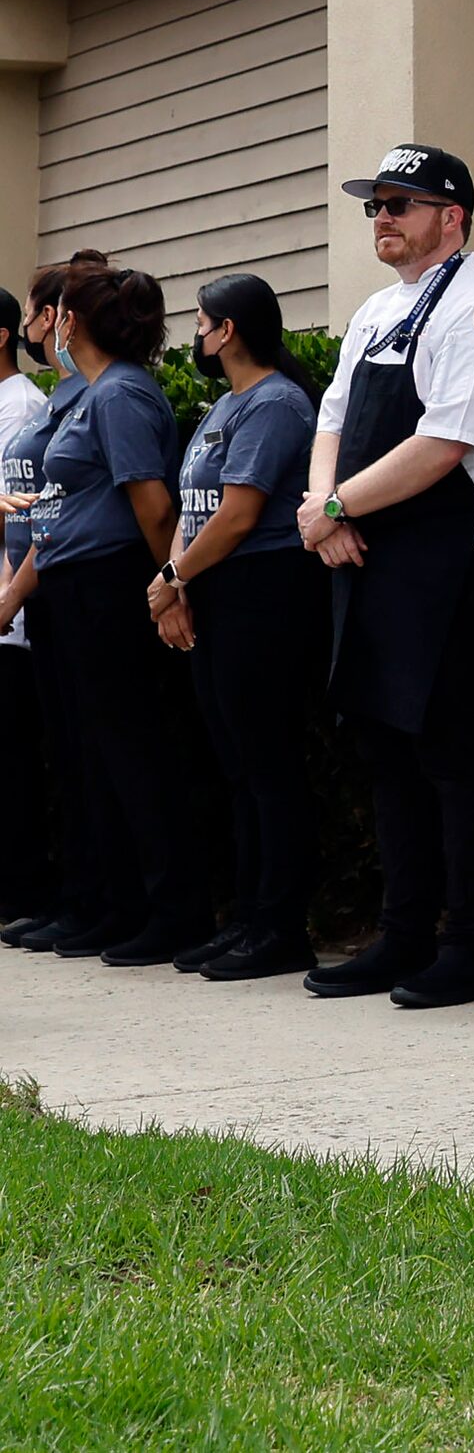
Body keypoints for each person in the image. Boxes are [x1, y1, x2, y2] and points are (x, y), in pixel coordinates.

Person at [302, 143, 474, 1011]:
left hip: (444, 563)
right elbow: (332, 418)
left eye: (401, 202)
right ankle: (402, 937)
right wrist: (325, 509)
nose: (383, 217)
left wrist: (334, 512)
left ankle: (471, 947)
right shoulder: (371, 312)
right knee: (384, 755)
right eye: (375, 204)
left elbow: (444, 444)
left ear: (453, 216)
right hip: (362, 554)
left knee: (450, 759)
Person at [0, 264, 198, 964]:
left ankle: (166, 908)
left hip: (116, 587)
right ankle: (109, 904)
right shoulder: (90, 392)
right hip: (75, 587)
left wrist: (169, 585)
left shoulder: (119, 395)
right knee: (92, 755)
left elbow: (152, 506)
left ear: (70, 321)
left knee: (132, 753)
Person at [151, 275, 328, 982]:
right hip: (215, 590)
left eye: (200, 322)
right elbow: (193, 511)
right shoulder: (226, 404)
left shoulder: (277, 404)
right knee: (237, 765)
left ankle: (281, 927)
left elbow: (238, 514)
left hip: (264, 593)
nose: (194, 335)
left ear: (228, 330)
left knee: (268, 764)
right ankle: (248, 920)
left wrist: (172, 581)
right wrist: (180, 585)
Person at [0, 256, 106, 953]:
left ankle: (42, 891)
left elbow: (52, 509)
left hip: (29, 606)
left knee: (31, 764)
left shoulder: (28, 406)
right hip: (28, 603)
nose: (47, 328)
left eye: (50, 314)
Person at [0, 286, 58, 940]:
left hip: (11, 615)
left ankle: (26, 892)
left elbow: (29, 511)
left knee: (14, 766)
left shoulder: (22, 407)